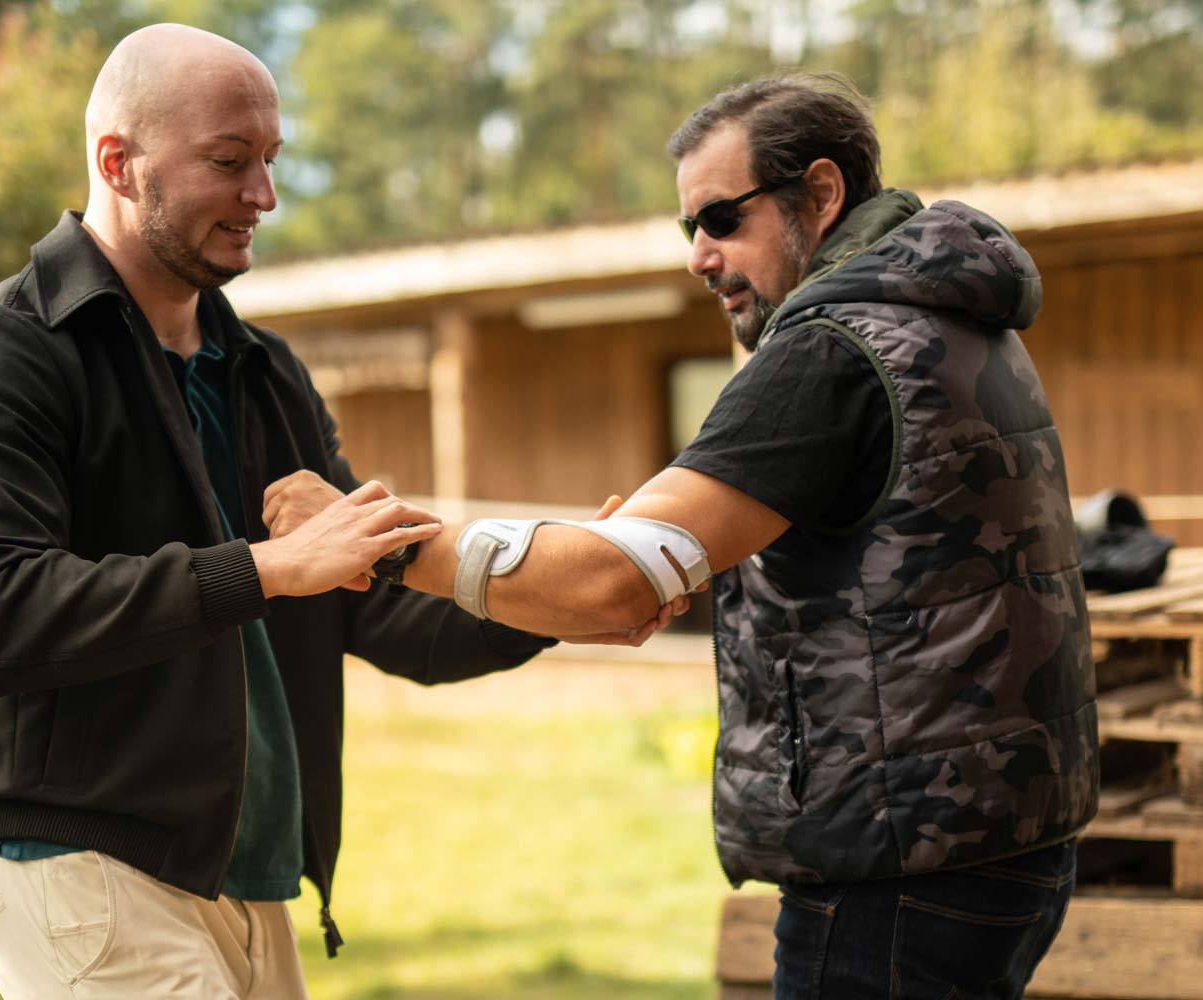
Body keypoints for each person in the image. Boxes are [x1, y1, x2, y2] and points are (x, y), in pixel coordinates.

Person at [265, 74, 1100, 999]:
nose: (700, 257)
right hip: (994, 843)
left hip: (895, 867)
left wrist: (377, 543)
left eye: (720, 218)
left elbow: (613, 583)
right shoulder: (946, 318)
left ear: (820, 195)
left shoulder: (830, 352)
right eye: (687, 229)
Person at [0, 24, 584, 1000]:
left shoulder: (263, 372)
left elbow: (374, 604)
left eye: (270, 161)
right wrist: (266, 568)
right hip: (86, 873)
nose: (264, 196)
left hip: (251, 879)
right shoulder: (4, 360)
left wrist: (573, 592)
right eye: (230, 161)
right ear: (117, 162)